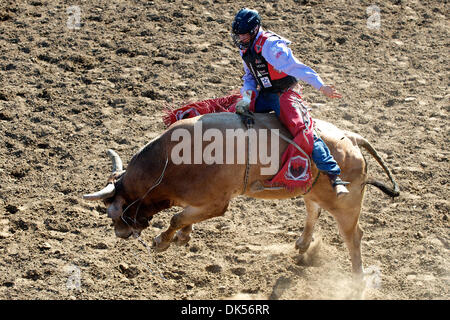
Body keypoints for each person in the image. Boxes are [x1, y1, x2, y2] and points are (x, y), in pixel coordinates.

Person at [231, 8, 349, 197]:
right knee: (233, 109)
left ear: (254, 30)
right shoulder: (245, 47)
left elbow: (296, 67)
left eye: (243, 34)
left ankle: (334, 175)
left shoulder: (272, 46)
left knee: (302, 129)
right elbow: (249, 77)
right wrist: (247, 98)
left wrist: (321, 86)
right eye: (238, 34)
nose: (240, 38)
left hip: (284, 94)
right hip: (265, 93)